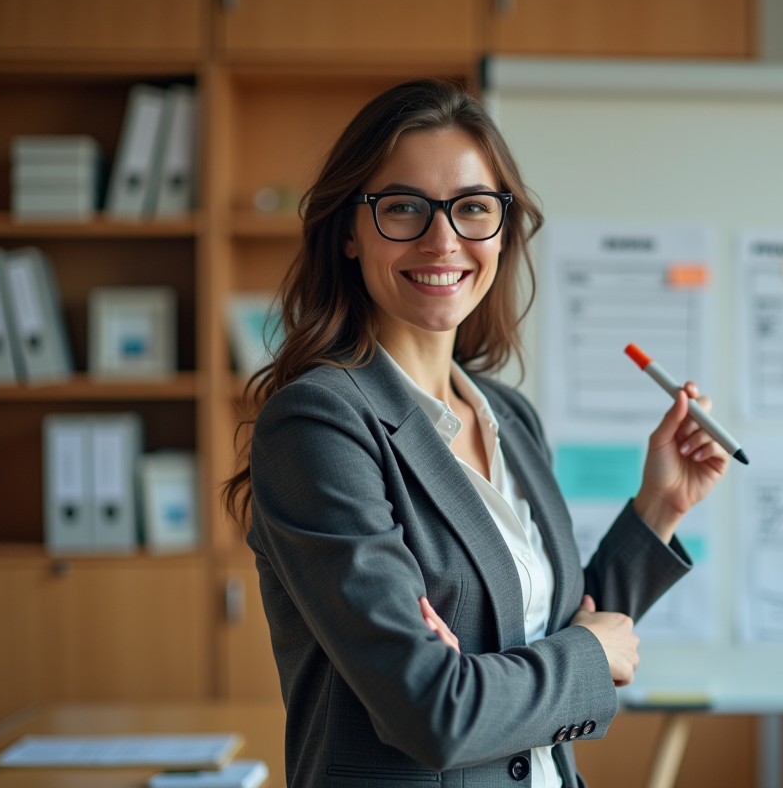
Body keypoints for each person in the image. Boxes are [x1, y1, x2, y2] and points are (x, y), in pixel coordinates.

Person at [223, 78, 730, 788]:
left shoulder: (509, 417)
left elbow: (566, 625)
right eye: (402, 207)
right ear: (347, 229)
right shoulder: (319, 425)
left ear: (502, 227)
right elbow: (432, 711)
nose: (443, 240)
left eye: (472, 209)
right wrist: (580, 659)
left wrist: (659, 507)